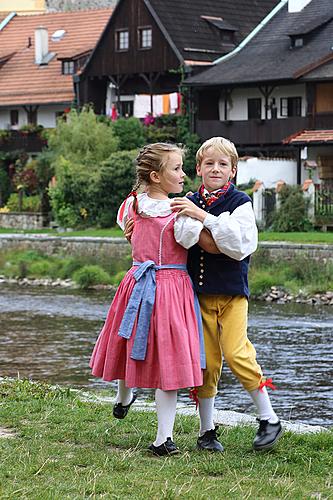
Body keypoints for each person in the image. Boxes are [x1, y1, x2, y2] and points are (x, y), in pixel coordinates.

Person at [90, 142, 211, 457]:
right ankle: (159, 435)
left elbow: (125, 227)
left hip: (137, 282)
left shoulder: (130, 204)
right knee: (162, 359)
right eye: (176, 168)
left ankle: (138, 413)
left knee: (129, 343)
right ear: (156, 176)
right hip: (169, 286)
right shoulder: (179, 213)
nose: (183, 175)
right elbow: (192, 240)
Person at [169, 137, 282, 452]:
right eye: (209, 163)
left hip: (233, 295)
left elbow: (237, 246)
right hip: (199, 295)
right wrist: (215, 230)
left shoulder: (241, 201)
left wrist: (203, 218)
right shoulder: (188, 199)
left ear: (233, 170)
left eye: (222, 164)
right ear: (198, 168)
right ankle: (207, 432)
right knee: (206, 362)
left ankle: (268, 417)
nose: (215, 169)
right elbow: (185, 236)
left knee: (236, 353)